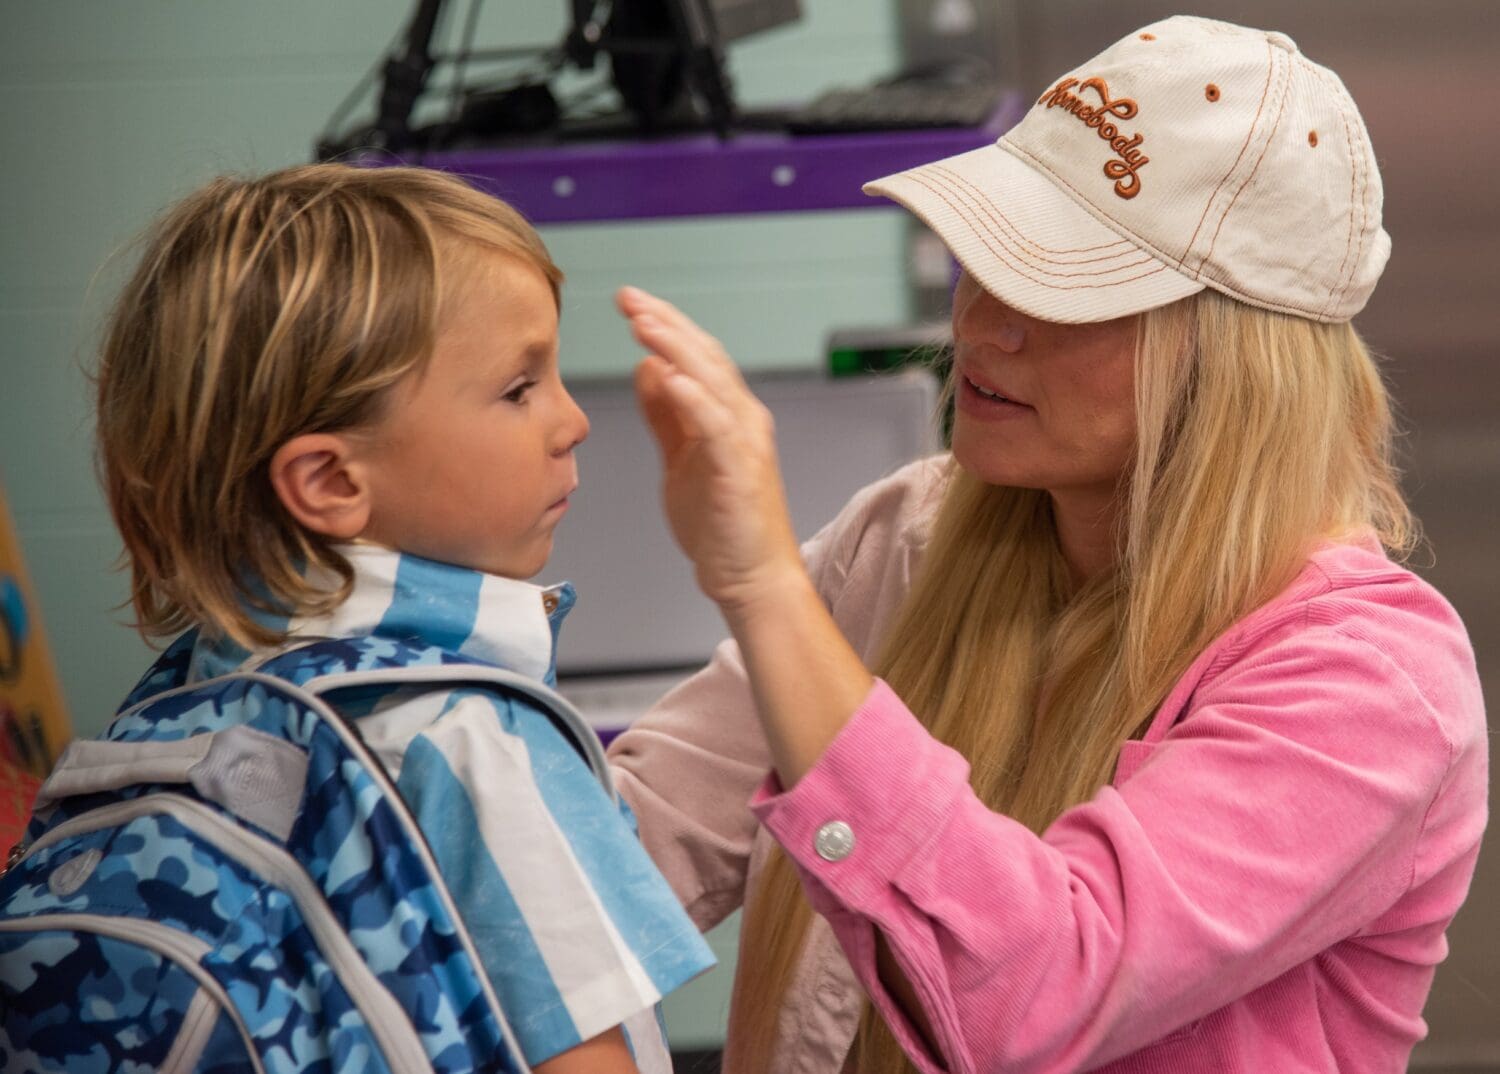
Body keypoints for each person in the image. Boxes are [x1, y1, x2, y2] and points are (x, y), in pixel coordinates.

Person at [607, 15, 1488, 1074]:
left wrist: (761, 587)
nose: (979, 325)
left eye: (1058, 289)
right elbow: (618, 853)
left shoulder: (1366, 685)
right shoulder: (908, 539)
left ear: (1227, 360)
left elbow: (1032, 993)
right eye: (986, 256)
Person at [92, 163, 714, 1073]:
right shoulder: (470, 739)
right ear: (332, 482)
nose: (573, 420)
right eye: (518, 389)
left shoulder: (192, 695)